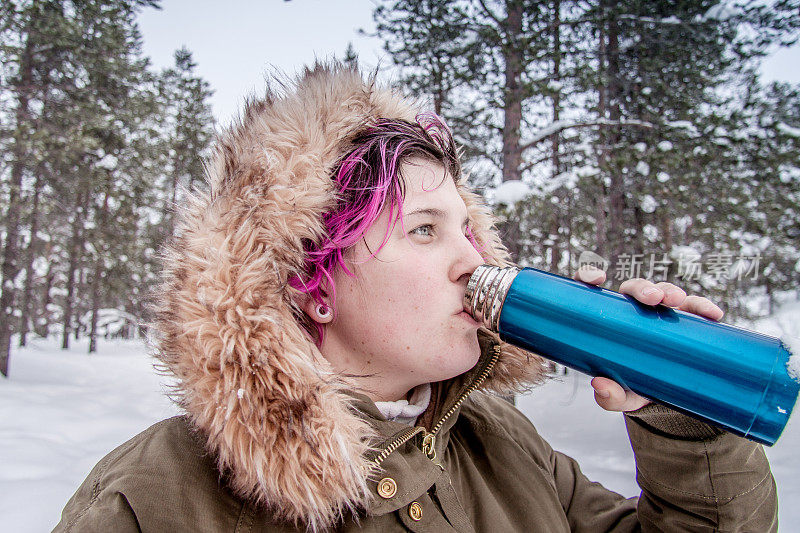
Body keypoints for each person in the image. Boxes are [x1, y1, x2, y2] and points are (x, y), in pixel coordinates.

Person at [55, 62, 777, 532]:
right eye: (425, 230)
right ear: (313, 282)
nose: (475, 258)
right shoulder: (153, 498)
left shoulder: (503, 444)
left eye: (468, 227)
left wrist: (686, 421)